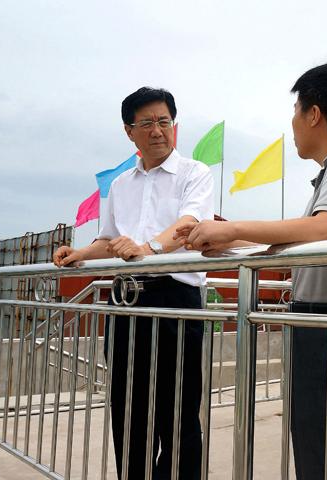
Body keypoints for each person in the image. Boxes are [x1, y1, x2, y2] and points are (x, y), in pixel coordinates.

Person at [176, 62, 327, 480]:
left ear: (314, 113)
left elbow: (324, 229)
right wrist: (225, 242)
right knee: (319, 453)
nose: (292, 122)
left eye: (296, 110)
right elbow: (297, 243)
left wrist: (233, 228)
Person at [54, 87, 214, 479]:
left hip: (175, 299)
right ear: (129, 132)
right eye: (146, 123)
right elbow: (109, 240)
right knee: (128, 408)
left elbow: (189, 225)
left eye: (164, 121)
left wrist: (148, 249)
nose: (157, 130)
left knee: (177, 410)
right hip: (124, 302)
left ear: (174, 126)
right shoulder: (121, 184)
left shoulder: (194, 173)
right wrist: (79, 254)